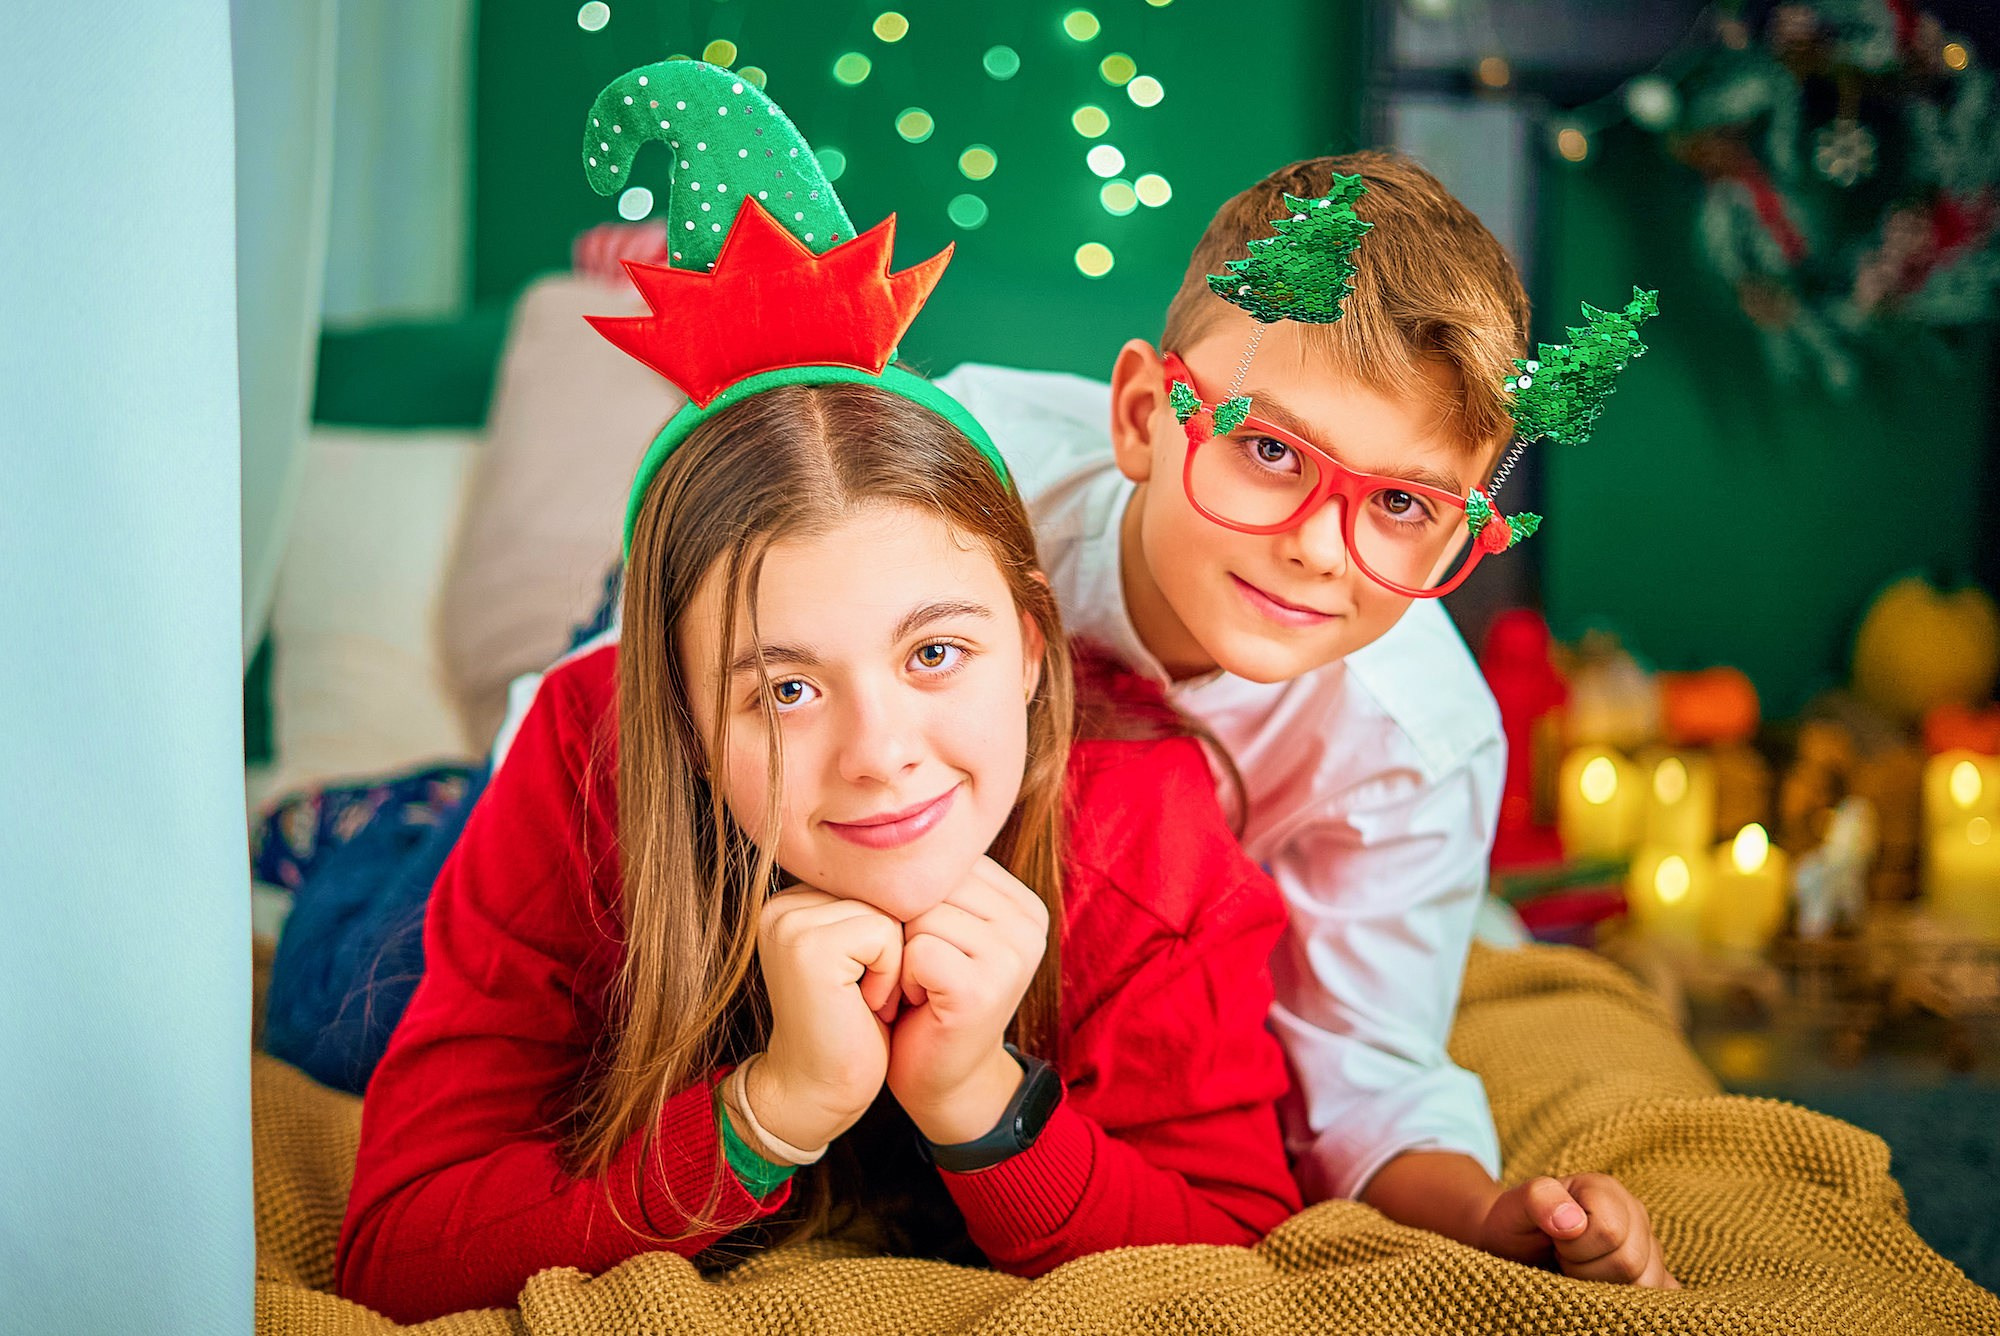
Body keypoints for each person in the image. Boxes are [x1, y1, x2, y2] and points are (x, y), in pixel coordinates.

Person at [334, 61, 1300, 1324]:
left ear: (1027, 643)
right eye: (786, 689)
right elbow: (397, 1250)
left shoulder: (1142, 825)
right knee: (339, 972)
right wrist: (767, 1109)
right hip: (438, 869)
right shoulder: (589, 752)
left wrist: (980, 1102)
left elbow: (1238, 1250)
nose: (879, 754)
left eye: (934, 654)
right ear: (683, 716)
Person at [930, 153, 1671, 1286]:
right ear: (1142, 417)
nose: (1320, 549)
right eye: (1269, 449)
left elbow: (1364, 1075)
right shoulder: (950, 490)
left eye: (1402, 502)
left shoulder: (1413, 742)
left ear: (1462, 532)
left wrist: (1488, 1219)